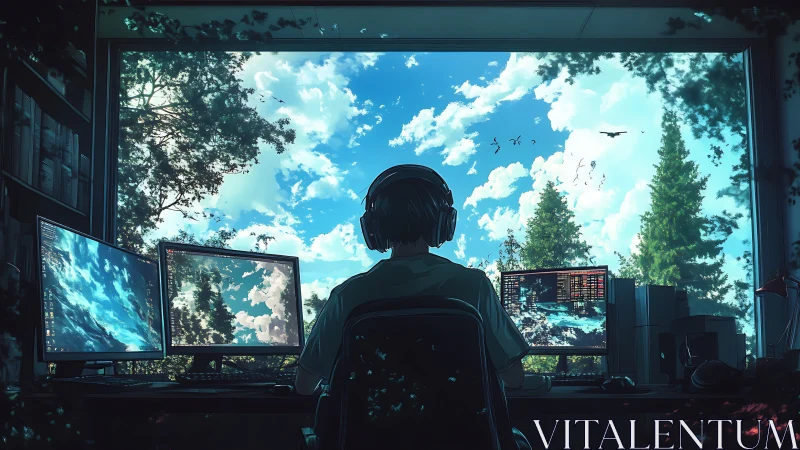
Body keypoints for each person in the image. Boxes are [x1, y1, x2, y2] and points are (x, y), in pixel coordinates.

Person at [295, 164, 528, 396]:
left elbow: (304, 386)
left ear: (373, 227)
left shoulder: (347, 295)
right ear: (445, 222)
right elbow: (514, 378)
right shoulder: (474, 286)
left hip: (375, 422)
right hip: (461, 421)